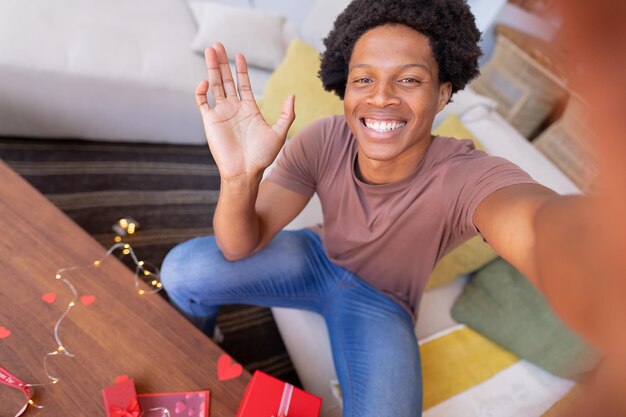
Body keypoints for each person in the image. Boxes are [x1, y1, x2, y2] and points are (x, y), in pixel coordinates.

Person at [160, 0, 562, 415]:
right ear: (345, 88)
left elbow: (531, 220)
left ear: (443, 94)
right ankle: (200, 341)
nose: (381, 98)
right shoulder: (323, 138)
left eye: (408, 80)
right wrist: (239, 178)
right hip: (316, 259)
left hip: (382, 303)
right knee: (182, 270)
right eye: (363, 79)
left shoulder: (465, 174)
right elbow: (236, 248)